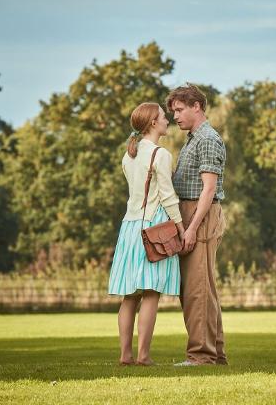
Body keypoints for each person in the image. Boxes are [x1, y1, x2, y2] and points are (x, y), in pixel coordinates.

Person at [108, 102, 185, 366]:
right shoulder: (160, 154)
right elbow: (167, 196)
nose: (168, 120)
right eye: (164, 117)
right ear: (153, 122)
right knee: (151, 293)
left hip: (129, 229)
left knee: (130, 296)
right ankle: (143, 356)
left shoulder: (128, 155)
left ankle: (125, 356)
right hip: (154, 229)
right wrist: (181, 227)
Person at [166, 84, 228, 366]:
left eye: (179, 110)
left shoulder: (207, 139)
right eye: (173, 111)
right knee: (203, 288)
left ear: (197, 107)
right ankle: (215, 353)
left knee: (197, 290)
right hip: (190, 212)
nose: (175, 116)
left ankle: (201, 356)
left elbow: (208, 189)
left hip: (200, 215)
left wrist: (190, 228)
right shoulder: (193, 138)